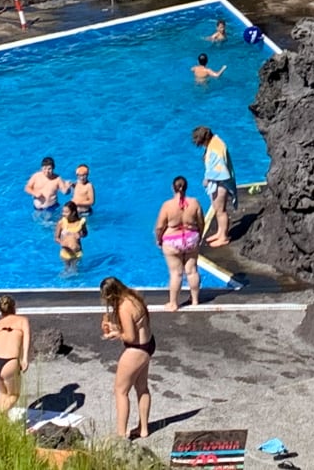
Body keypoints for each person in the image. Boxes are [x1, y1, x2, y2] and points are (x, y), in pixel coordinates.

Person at [99, 277, 153, 441]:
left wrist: (115, 334)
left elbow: (129, 337)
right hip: (148, 344)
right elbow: (136, 326)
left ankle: (120, 435)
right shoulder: (134, 296)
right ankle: (143, 429)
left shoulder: (123, 307)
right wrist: (117, 328)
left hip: (136, 350)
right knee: (142, 388)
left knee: (120, 391)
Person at [154, 176, 204, 312]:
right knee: (192, 270)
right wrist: (199, 236)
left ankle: (173, 303)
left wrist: (159, 239)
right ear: (186, 187)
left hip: (172, 241)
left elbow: (159, 227)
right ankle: (194, 300)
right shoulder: (194, 203)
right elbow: (201, 222)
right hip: (191, 239)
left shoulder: (167, 205)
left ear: (172, 187)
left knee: (176, 273)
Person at [0, 295, 30, 412]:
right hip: (9, 361)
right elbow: (26, 341)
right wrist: (24, 359)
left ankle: (0, 423)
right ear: (14, 307)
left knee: (3, 393)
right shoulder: (22, 321)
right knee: (13, 395)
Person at [191, 125, 235, 246]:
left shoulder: (216, 148)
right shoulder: (214, 143)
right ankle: (220, 233)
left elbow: (220, 169)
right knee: (217, 208)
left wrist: (207, 178)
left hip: (221, 183)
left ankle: (224, 237)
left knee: (221, 210)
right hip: (217, 182)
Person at [56, 201, 88, 269]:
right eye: (63, 211)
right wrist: (62, 243)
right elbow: (56, 238)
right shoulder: (61, 222)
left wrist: (80, 234)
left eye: (66, 212)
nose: (63, 214)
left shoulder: (81, 222)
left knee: (75, 271)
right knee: (66, 269)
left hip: (77, 253)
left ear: (73, 212)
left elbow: (85, 233)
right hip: (66, 252)